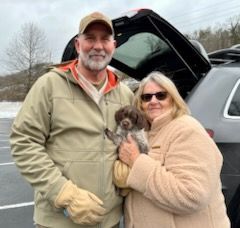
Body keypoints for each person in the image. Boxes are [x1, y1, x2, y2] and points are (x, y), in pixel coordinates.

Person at [10, 11, 133, 228]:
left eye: (105, 39)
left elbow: (132, 141)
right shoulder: (49, 85)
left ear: (113, 45)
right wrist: (64, 194)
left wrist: (128, 169)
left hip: (110, 220)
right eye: (90, 38)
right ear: (78, 45)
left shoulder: (125, 94)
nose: (98, 46)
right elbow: (24, 142)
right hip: (59, 221)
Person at [113, 71, 231, 228]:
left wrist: (136, 161)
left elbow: (192, 195)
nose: (153, 101)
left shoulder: (187, 130)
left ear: (173, 99)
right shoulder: (147, 133)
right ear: (140, 103)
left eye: (161, 95)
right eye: (146, 97)